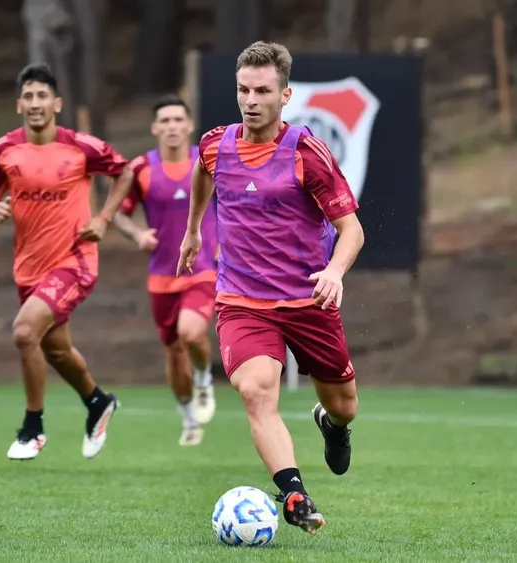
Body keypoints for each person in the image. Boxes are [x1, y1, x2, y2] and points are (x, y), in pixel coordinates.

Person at [176, 41, 365, 535]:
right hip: (242, 301)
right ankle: (294, 492)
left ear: (285, 95)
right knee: (258, 391)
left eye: (262, 90)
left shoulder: (306, 152)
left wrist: (334, 272)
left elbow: (352, 231)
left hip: (308, 298)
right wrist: (194, 227)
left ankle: (332, 424)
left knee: (346, 405)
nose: (251, 100)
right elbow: (202, 169)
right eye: (243, 89)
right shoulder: (217, 143)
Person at [0, 63, 130, 461]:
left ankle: (33, 428)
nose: (35, 103)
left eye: (42, 95)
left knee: (24, 332)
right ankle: (98, 401)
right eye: (28, 96)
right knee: (57, 351)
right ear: (18, 105)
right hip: (28, 267)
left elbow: (125, 172)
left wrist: (104, 218)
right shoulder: (4, 148)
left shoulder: (80, 145)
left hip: (74, 261)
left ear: (57, 103)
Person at [111, 95, 219, 447]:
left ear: (189, 126)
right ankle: (189, 418)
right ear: (155, 128)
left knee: (191, 333)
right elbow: (118, 212)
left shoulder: (207, 164)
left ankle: (204, 378)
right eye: (165, 121)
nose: (172, 126)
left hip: (203, 268)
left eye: (178, 120)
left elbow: (235, 203)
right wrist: (137, 233)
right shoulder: (142, 168)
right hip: (161, 276)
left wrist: (226, 241)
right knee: (173, 353)